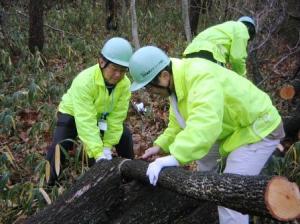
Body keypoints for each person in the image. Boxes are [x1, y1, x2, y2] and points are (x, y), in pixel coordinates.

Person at [129, 46, 285, 224]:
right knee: (205, 162)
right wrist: (160, 146)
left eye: (150, 86)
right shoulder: (175, 85)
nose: (151, 92)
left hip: (259, 128)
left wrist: (174, 158)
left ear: (164, 76)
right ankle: (207, 201)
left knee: (230, 192)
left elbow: (206, 124)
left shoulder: (199, 76)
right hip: (233, 129)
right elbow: (178, 123)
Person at [46, 37, 134, 184]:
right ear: (101, 62)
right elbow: (85, 121)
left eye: (123, 71)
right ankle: (49, 184)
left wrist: (106, 146)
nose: (118, 75)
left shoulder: (124, 85)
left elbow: (117, 118)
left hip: (101, 117)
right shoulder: (85, 81)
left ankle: (130, 175)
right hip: (73, 114)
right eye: (114, 69)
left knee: (124, 136)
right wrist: (99, 154)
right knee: (59, 147)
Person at [183, 16, 256, 77]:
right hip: (210, 54)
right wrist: (242, 78)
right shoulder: (242, 29)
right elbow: (237, 58)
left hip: (190, 52)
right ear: (249, 29)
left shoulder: (226, 26)